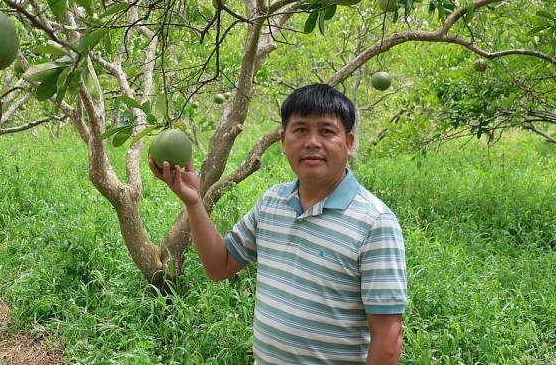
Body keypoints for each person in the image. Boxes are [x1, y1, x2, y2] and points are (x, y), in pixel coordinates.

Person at [149, 83, 407, 364]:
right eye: (300, 130)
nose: (312, 142)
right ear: (284, 141)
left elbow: (388, 339)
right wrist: (193, 201)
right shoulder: (272, 202)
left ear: (348, 143)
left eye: (326, 131)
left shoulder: (375, 222)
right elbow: (218, 266)